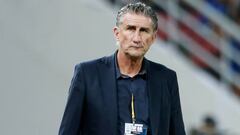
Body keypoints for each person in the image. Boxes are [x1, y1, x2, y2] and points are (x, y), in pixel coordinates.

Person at [59, 2, 185, 135]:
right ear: (117, 33)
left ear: (153, 37)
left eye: (144, 31)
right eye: (131, 29)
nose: (137, 38)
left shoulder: (166, 78)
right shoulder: (87, 74)